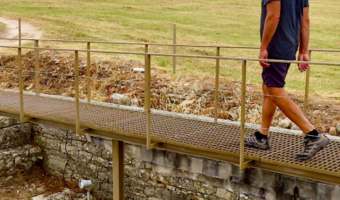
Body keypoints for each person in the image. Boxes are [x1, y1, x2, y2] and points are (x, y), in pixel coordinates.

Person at [244, 0, 330, 160]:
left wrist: (263, 48)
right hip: (289, 45)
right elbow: (305, 20)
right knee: (268, 87)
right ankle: (261, 136)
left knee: (274, 91)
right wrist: (303, 50)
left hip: (275, 47)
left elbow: (274, 15)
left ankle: (313, 135)